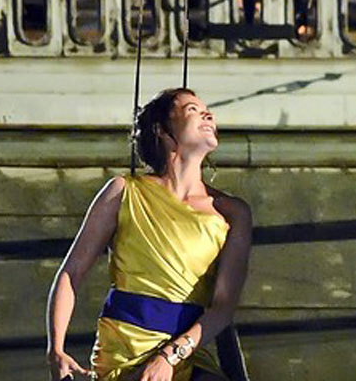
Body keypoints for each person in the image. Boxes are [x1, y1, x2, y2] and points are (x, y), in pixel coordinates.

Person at [46, 88, 252, 381]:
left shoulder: (232, 213)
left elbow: (223, 307)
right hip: (123, 353)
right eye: (192, 110)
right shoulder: (123, 191)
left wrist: (170, 356)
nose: (208, 114)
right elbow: (71, 272)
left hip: (188, 353)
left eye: (207, 110)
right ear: (162, 130)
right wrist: (56, 348)